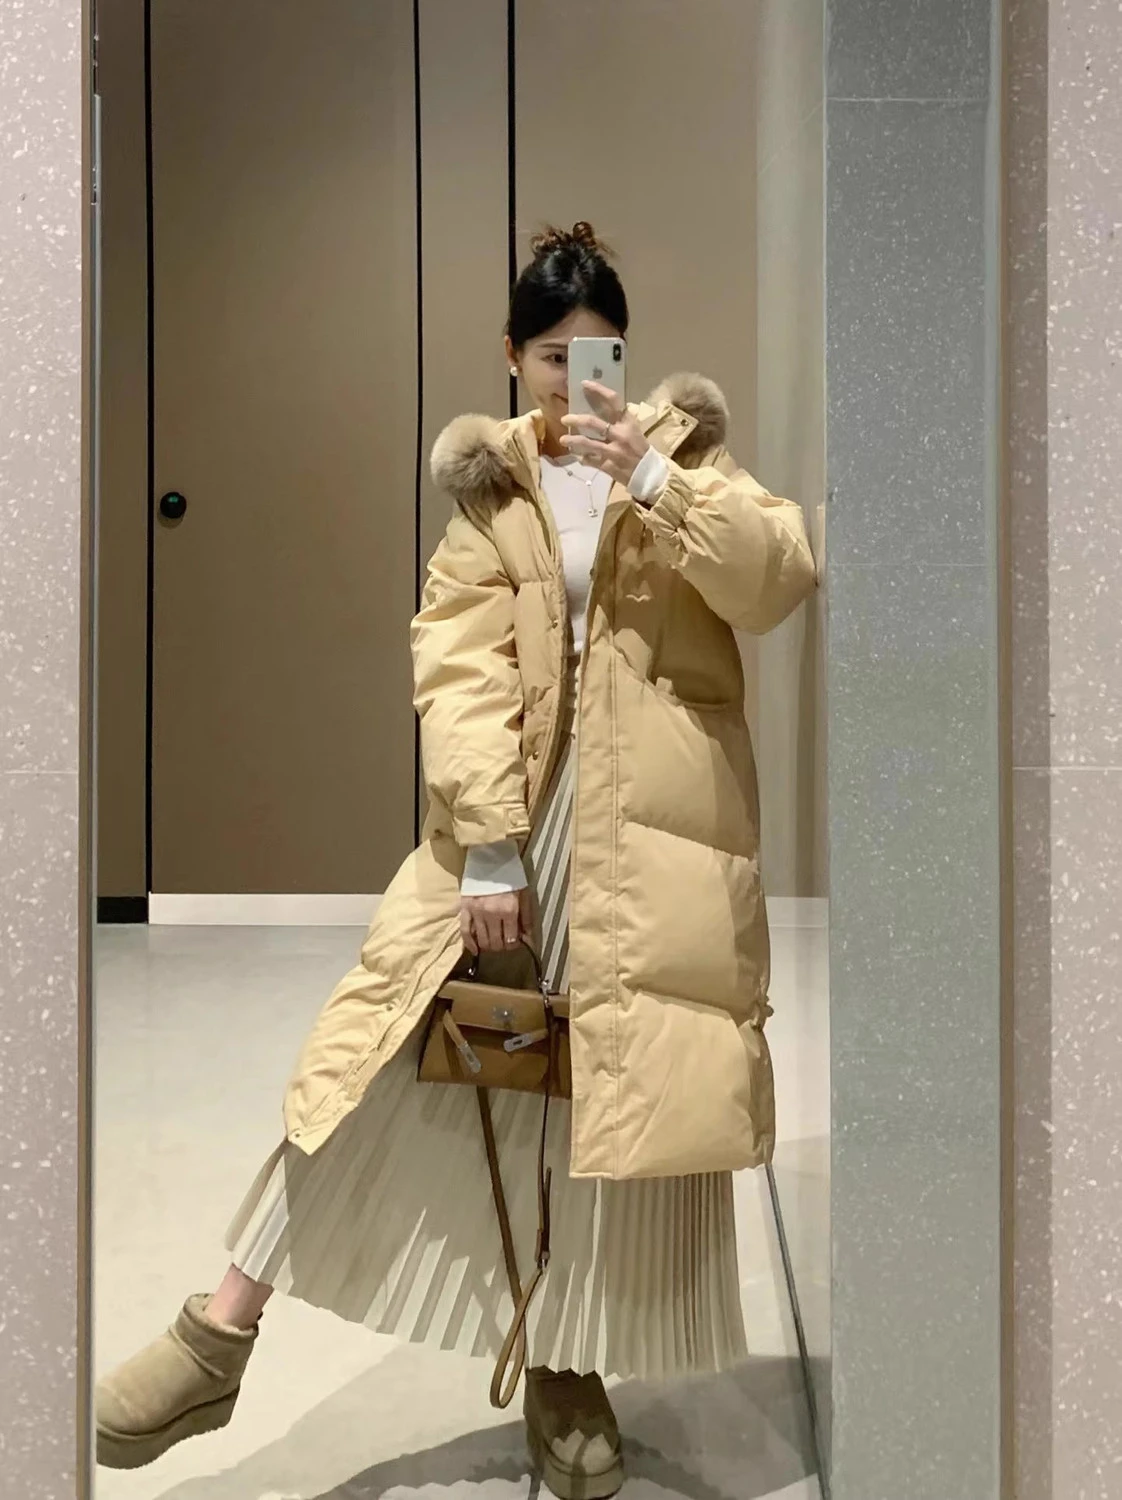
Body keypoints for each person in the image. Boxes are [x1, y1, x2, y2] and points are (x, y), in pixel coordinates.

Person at [95, 222, 817, 1498]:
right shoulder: (492, 493)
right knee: (376, 1064)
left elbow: (776, 579)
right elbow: (458, 667)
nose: (576, 380)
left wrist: (657, 478)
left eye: (598, 353)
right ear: (512, 356)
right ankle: (219, 1333)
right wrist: (487, 845)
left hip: (653, 848)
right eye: (552, 356)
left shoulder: (686, 457)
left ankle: (565, 1366)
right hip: (513, 834)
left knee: (602, 1107)